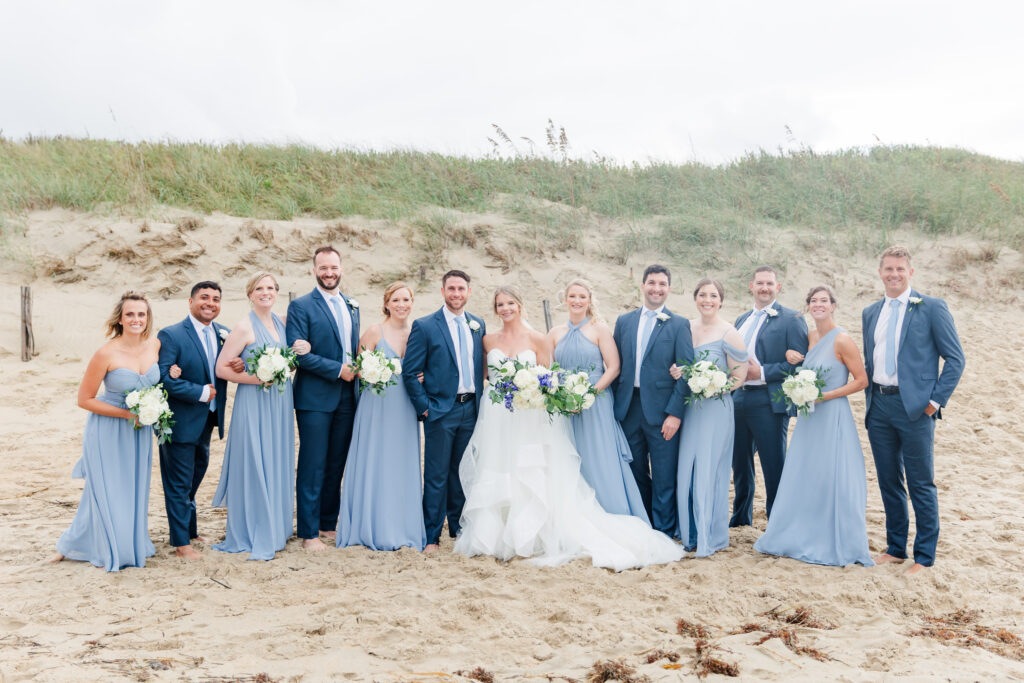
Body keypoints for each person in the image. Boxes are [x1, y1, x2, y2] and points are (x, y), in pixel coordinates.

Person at [455, 286, 684, 570]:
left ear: (520, 305)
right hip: (504, 413)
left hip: (566, 407)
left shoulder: (551, 336)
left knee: (562, 466)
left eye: (510, 303)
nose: (505, 308)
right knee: (502, 466)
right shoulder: (492, 339)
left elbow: (603, 368)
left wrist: (585, 394)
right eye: (500, 304)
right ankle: (499, 532)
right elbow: (485, 374)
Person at [753, 286, 874, 567]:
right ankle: (802, 532)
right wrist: (795, 361)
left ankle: (834, 537)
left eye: (824, 301)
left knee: (832, 475)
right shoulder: (810, 337)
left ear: (833, 305)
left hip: (832, 414)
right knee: (807, 474)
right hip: (809, 416)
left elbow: (861, 380)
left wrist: (825, 396)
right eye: (814, 301)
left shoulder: (842, 339)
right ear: (808, 306)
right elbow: (806, 369)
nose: (819, 305)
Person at [862, 246, 964, 575]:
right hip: (879, 405)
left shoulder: (931, 308)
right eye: (888, 269)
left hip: (916, 408)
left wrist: (934, 402)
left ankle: (924, 556)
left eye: (900, 269)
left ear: (911, 272)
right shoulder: (870, 313)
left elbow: (955, 359)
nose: (894, 274)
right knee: (889, 480)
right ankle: (895, 548)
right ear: (880, 272)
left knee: (921, 483)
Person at [52, 291, 159, 571]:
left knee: (133, 488)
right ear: (120, 319)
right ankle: (88, 546)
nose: (136, 319)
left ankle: (126, 542)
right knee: (107, 489)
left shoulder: (154, 346)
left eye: (141, 314)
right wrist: (128, 413)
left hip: (140, 430)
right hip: (109, 429)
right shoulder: (106, 353)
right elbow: (84, 399)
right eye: (130, 314)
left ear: (147, 319)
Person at [212, 273, 303, 560]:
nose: (265, 293)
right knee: (255, 461)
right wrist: (257, 379)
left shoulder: (281, 322)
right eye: (259, 288)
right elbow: (222, 369)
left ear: (277, 292)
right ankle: (252, 528)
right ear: (250, 294)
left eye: (270, 288)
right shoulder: (243, 327)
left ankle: (277, 527)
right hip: (254, 401)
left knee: (276, 459)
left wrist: (304, 350)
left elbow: (292, 353)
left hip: (280, 401)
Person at [337, 282, 427, 551]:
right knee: (376, 459)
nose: (402, 305)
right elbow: (356, 368)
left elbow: (427, 365)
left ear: (412, 303)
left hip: (405, 406)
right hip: (377, 405)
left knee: (401, 462)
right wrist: (372, 371)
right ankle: (372, 525)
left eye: (406, 300)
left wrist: (425, 376)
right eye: (396, 300)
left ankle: (402, 525)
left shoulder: (417, 332)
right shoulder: (375, 331)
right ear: (386, 303)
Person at [549, 279, 647, 521]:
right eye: (572, 296)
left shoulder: (599, 329)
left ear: (589, 300)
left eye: (582, 296)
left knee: (598, 456)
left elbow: (613, 368)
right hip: (565, 406)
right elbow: (548, 371)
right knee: (570, 456)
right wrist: (562, 398)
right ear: (565, 299)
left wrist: (587, 394)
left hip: (595, 402)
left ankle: (611, 511)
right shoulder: (554, 333)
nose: (577, 301)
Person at [402, 270, 486, 554]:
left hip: (471, 409)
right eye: (451, 289)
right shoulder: (425, 326)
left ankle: (459, 530)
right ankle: (431, 537)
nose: (456, 294)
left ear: (469, 291)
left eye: (461, 289)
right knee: (436, 475)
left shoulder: (478, 324)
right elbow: (410, 372)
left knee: (462, 474)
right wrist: (424, 408)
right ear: (442, 291)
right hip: (440, 411)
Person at [286, 246, 361, 551]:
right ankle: (308, 533)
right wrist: (338, 370)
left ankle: (327, 523)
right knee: (313, 463)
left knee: (335, 462)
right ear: (313, 270)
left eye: (334, 267)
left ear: (341, 268)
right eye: (323, 268)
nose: (329, 273)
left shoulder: (351, 305)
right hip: (314, 397)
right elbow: (299, 355)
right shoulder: (301, 306)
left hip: (347, 395)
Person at [612, 265, 694, 538]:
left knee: (663, 474)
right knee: (634, 471)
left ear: (669, 289)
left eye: (661, 284)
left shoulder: (679, 324)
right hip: (628, 407)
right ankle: (643, 526)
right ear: (643, 286)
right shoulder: (624, 321)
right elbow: (615, 365)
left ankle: (664, 531)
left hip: (663, 410)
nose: (656, 288)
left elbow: (687, 372)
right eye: (651, 283)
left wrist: (675, 413)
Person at [670, 279, 747, 556]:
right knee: (686, 469)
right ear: (695, 298)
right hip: (690, 409)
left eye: (713, 295)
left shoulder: (730, 333)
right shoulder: (685, 327)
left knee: (708, 469)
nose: (708, 300)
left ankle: (708, 534)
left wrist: (715, 385)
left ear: (721, 300)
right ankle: (688, 531)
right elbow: (679, 363)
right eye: (702, 294)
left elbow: (740, 376)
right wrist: (678, 372)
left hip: (716, 409)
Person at [730, 266, 808, 527]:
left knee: (773, 465)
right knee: (740, 464)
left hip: (769, 401)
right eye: (760, 283)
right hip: (738, 399)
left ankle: (778, 522)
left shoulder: (792, 318)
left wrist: (760, 372)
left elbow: (799, 365)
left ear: (778, 287)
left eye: (769, 283)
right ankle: (741, 517)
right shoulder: (741, 320)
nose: (764, 287)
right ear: (751, 286)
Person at [157, 281, 229, 558]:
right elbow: (163, 380)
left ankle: (190, 530)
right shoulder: (172, 335)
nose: (210, 303)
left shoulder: (224, 333)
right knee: (179, 482)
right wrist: (200, 392)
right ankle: (181, 544)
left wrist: (238, 364)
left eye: (216, 299)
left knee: (195, 475)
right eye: (204, 297)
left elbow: (232, 361)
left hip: (208, 421)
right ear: (190, 301)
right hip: (180, 420)